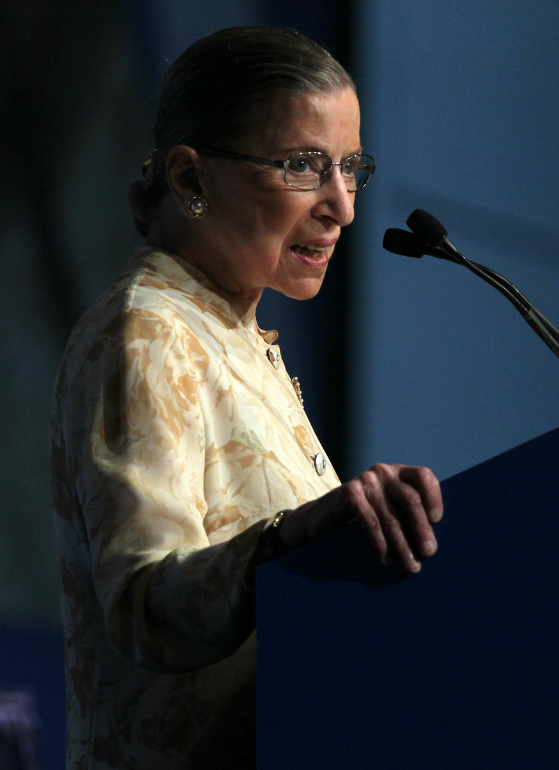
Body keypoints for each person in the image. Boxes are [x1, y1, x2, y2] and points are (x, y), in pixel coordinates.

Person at [49, 26, 442, 770]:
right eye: (303, 166)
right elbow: (143, 609)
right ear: (192, 181)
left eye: (349, 168)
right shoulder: (151, 329)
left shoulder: (232, 336)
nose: (343, 207)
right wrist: (290, 542)